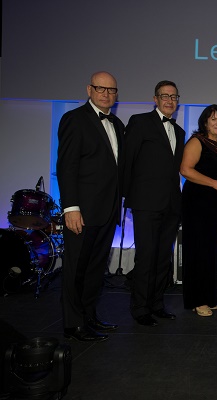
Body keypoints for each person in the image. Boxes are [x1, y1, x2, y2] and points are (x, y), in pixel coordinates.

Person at [57, 71, 124, 342]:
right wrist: (70, 207)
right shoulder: (74, 119)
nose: (106, 94)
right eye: (101, 89)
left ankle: (89, 316)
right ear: (89, 89)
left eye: (112, 90)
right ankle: (73, 324)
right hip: (82, 212)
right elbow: (66, 166)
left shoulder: (117, 124)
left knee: (96, 269)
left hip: (107, 211)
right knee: (76, 270)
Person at [124, 80, 185, 326]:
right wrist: (128, 197)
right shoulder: (140, 122)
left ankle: (157, 304)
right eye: (165, 96)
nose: (170, 100)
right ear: (155, 99)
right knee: (146, 257)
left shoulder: (179, 132)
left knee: (163, 259)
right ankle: (140, 308)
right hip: (146, 203)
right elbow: (128, 161)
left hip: (171, 205)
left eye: (174, 96)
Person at [180, 104, 217, 317]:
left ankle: (210, 296)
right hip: (196, 202)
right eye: (213, 119)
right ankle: (197, 299)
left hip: (215, 203)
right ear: (204, 122)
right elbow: (185, 170)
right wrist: (214, 183)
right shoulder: (196, 141)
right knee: (198, 250)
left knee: (212, 249)